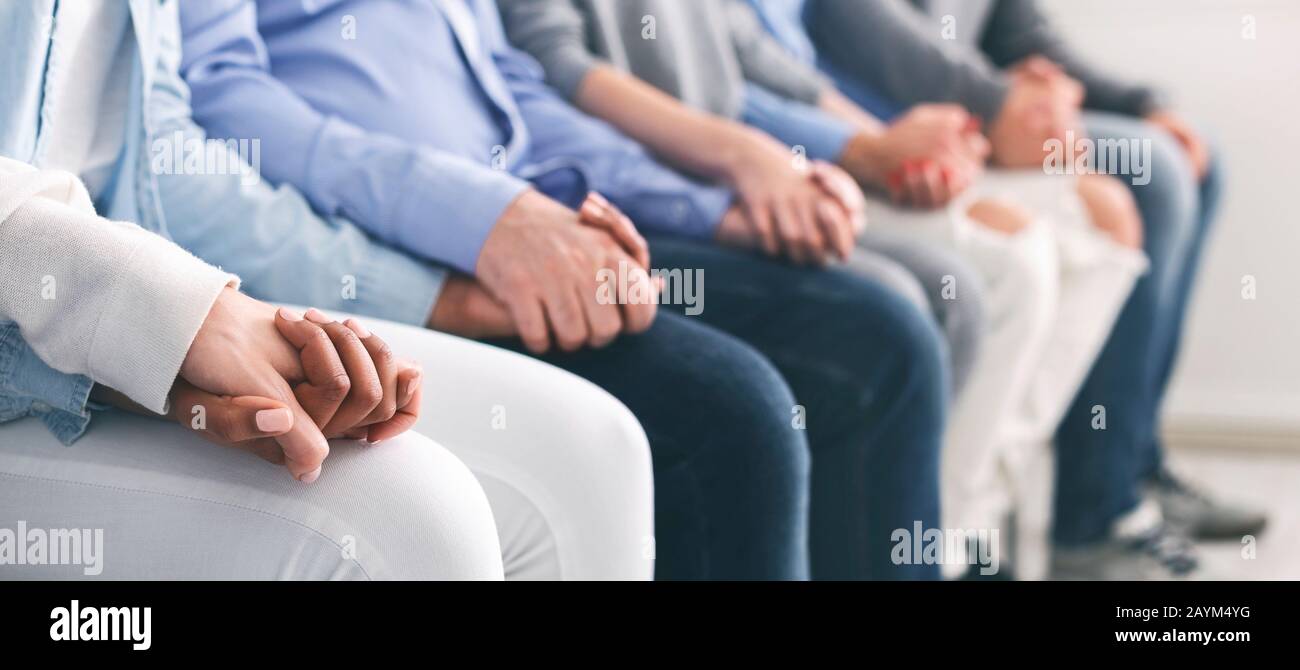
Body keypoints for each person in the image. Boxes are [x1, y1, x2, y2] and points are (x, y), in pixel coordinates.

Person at [178, 0, 951, 580]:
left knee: (876, 335)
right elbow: (221, 95)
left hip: (516, 212)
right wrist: (485, 221)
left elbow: (516, 99)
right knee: (734, 411)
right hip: (375, 242)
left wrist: (714, 213)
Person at [0, 0, 654, 580]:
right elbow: (230, 98)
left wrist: (440, 297)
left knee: (591, 448)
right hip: (46, 323)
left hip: (110, 291)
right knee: (403, 526)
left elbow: (161, 159)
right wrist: (149, 316)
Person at [497, 0, 1147, 576]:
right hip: (643, 197)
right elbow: (551, 67)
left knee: (944, 290)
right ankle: (945, 544)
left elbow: (750, 59)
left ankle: (958, 539)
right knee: (906, 310)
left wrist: (862, 145)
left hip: (732, 170)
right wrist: (804, 157)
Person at [805, 0, 1263, 579]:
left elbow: (1024, 34)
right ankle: (1079, 512)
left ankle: (1123, 466)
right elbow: (852, 23)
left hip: (970, 111)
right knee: (1142, 184)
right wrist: (996, 106)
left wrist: (1134, 104)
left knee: (1182, 156)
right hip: (900, 116)